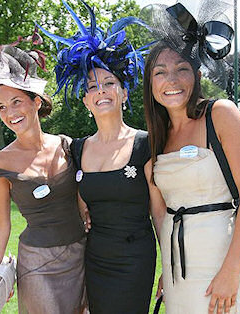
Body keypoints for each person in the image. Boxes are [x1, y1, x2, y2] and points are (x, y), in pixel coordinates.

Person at [38, 1, 165, 313]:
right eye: (93, 86)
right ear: (85, 101)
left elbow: (160, 213)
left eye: (110, 83)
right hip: (94, 259)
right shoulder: (78, 149)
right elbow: (81, 209)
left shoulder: (146, 144)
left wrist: (170, 267)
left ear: (124, 92)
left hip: (135, 259)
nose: (102, 90)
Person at [142, 2, 240, 314]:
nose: (172, 80)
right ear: (150, 83)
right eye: (160, 72)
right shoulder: (159, 134)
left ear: (196, 74)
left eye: (182, 69)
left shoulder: (220, 114)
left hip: (218, 260)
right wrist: (166, 267)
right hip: (175, 265)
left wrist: (230, 270)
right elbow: (160, 212)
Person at [0, 33, 86, 314]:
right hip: (37, 263)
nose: (8, 113)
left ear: (36, 102)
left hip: (81, 256)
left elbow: (83, 198)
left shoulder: (68, 145)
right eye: (2, 107)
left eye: (16, 102)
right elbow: (1, 222)